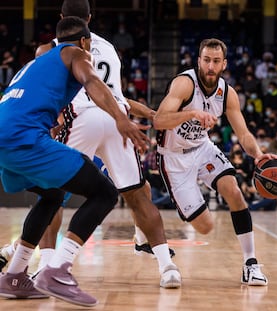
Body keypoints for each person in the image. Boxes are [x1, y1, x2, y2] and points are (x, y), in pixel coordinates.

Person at [0, 0, 180, 290]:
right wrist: (127, 117)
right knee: (137, 194)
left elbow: (74, 92)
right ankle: (167, 266)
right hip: (114, 117)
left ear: (61, 19)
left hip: (80, 118)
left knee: (53, 193)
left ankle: (46, 266)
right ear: (90, 18)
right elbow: (114, 94)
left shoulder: (49, 51)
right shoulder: (109, 48)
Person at [153, 38, 277, 286]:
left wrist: (257, 154)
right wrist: (191, 113)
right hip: (173, 158)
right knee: (205, 227)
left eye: (215, 61)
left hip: (202, 149)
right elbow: (159, 121)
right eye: (206, 60)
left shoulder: (227, 93)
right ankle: (149, 235)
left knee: (234, 191)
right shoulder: (184, 84)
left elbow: (243, 133)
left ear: (224, 64)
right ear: (198, 60)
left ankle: (251, 264)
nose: (210, 66)